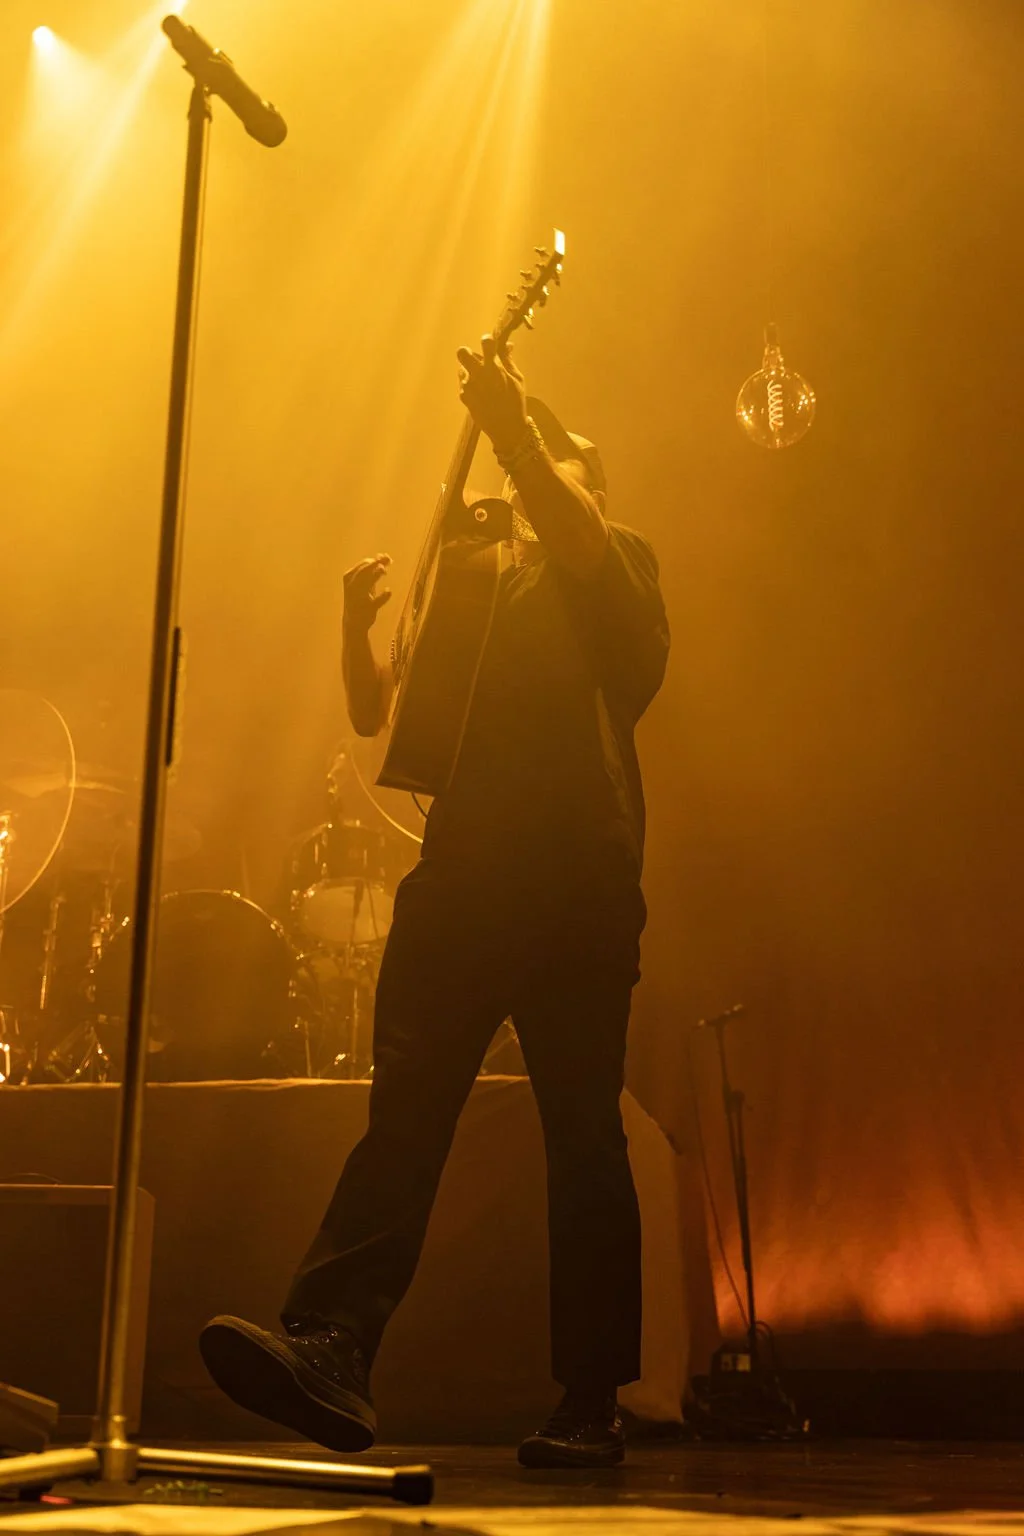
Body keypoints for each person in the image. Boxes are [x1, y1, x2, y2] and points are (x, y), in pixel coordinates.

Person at [200, 335, 670, 1469]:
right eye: (525, 456)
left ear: (590, 485)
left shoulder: (616, 559)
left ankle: (591, 1400)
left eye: (555, 456)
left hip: (576, 875)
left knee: (582, 1134)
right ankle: (332, 1346)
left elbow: (573, 536)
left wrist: (519, 429)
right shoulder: (480, 585)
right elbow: (381, 718)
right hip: (460, 872)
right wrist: (354, 630)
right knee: (404, 1115)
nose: (527, 467)